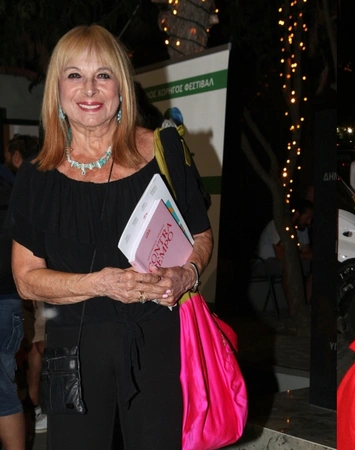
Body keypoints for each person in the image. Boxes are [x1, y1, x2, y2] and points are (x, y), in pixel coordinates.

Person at [5, 25, 213, 450]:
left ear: (121, 87)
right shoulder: (36, 175)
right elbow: (26, 279)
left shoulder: (164, 151)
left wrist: (187, 274)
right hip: (73, 355)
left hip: (158, 344)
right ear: (57, 89)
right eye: (74, 75)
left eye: (103, 74)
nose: (89, 88)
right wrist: (101, 283)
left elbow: (201, 235)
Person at [4, 135, 48, 436]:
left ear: (17, 156)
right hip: (33, 286)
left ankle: (39, 406)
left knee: (40, 347)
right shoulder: (43, 182)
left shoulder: (23, 186)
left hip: (40, 284)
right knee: (36, 347)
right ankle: (37, 406)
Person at [0, 137, 34, 450]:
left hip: (5, 298)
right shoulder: (17, 188)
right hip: (10, 297)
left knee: (3, 389)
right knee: (4, 385)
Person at [256, 199, 313, 309]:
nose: (309, 222)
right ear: (297, 214)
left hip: (287, 260)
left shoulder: (302, 229)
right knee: (289, 266)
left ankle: (305, 305)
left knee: (315, 266)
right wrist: (300, 256)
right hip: (265, 262)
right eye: (307, 218)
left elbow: (307, 253)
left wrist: (299, 256)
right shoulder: (278, 225)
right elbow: (281, 256)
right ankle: (293, 310)